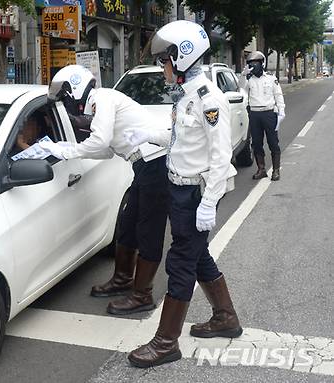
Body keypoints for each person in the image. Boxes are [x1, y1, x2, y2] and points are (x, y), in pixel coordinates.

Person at [122, 20, 243, 368]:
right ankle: (226, 317)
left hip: (195, 194)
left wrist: (209, 202)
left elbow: (222, 156)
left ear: (183, 57)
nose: (163, 67)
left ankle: (165, 342)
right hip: (179, 189)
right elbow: (181, 140)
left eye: (165, 60)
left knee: (180, 262)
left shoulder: (209, 99)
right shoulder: (185, 94)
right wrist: (150, 137)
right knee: (197, 255)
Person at [40, 65, 170, 316]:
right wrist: (64, 148)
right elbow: (107, 150)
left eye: (65, 98)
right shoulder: (100, 103)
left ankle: (142, 295)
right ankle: (122, 280)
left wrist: (64, 150)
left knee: (148, 231)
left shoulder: (102, 99)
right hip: (144, 166)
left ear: (75, 90)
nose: (66, 105)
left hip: (156, 165)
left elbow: (99, 141)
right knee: (128, 225)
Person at [239, 51, 286, 181]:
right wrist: (243, 75)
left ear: (262, 63)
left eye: (256, 63)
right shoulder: (249, 80)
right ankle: (261, 169)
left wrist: (281, 111)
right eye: (251, 63)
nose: (254, 65)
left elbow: (278, 95)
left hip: (269, 113)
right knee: (257, 143)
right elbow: (241, 88)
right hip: (254, 114)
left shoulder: (271, 78)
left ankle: (276, 170)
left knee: (273, 142)